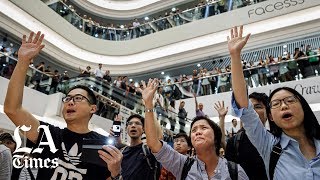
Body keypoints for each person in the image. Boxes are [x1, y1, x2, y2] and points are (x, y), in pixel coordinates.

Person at [4, 31, 122, 180]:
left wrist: (116, 174)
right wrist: (22, 62)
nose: (70, 102)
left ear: (93, 108)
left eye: (78, 98)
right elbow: (12, 109)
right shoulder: (49, 134)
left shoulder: (102, 145)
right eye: (67, 99)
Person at [228, 25, 320, 179]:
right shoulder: (269, 146)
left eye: (290, 100)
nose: (284, 105)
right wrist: (235, 56)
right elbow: (244, 107)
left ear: (303, 106)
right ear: (271, 116)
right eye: (276, 104)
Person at [142, 79, 249, 180]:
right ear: (191, 143)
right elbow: (154, 144)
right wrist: (148, 105)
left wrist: (222, 118)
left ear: (216, 137)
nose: (198, 132)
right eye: (193, 130)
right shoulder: (182, 165)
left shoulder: (234, 171)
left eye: (204, 128)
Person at [225, 92, 270, 180]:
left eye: (258, 107)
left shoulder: (276, 140)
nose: (252, 111)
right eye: (249, 108)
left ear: (268, 113)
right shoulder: (234, 142)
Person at [112, 114, 161, 180]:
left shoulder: (148, 149)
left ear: (143, 129)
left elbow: (158, 137)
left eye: (137, 123)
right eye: (130, 123)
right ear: (126, 128)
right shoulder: (122, 152)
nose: (133, 125)